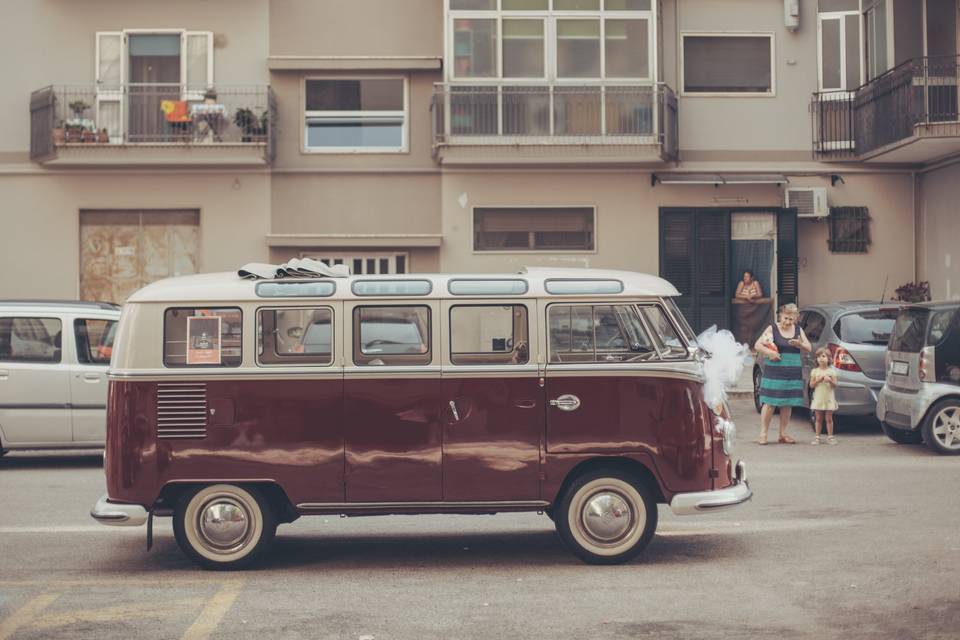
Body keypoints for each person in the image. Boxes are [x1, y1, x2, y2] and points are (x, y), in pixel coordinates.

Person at [754, 303, 811, 444]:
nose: (787, 322)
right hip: (774, 371)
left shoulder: (798, 330)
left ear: (796, 319)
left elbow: (808, 347)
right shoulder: (772, 328)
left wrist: (800, 345)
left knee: (787, 403)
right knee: (769, 403)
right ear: (781, 315)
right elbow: (757, 345)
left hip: (792, 371)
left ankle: (783, 434)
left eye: (791, 320)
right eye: (785, 318)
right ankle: (763, 434)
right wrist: (770, 352)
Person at [809, 347, 839, 445]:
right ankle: (817, 437)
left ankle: (830, 436)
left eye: (823, 356)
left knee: (829, 419)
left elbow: (835, 385)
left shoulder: (832, 372)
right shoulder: (814, 371)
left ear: (829, 358)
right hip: (818, 398)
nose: (821, 359)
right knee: (818, 418)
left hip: (828, 398)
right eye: (818, 357)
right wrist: (819, 380)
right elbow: (811, 385)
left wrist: (830, 380)